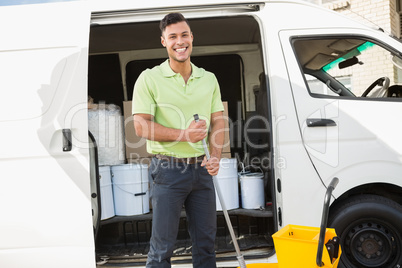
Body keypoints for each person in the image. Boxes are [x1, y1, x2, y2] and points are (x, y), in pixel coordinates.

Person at [132, 12, 225, 268]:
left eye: (184, 35)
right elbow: (140, 126)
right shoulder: (149, 78)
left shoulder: (209, 79)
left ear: (192, 38)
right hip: (168, 170)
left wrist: (215, 155)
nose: (179, 41)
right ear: (163, 41)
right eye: (172, 36)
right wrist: (185, 135)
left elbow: (219, 121)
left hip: (202, 170)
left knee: (206, 244)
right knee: (162, 248)